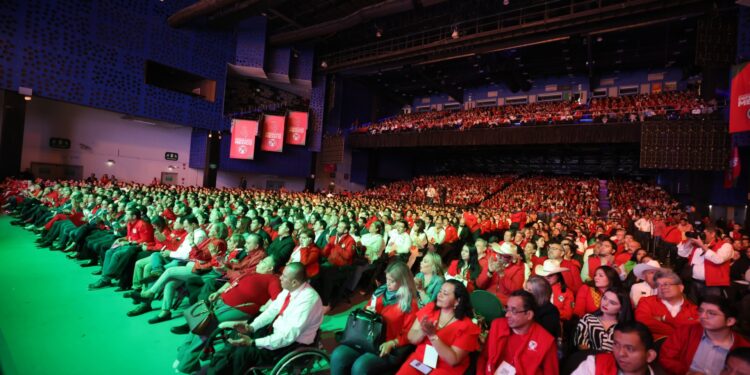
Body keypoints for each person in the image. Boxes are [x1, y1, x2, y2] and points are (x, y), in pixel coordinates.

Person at [207, 263, 324, 375]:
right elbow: (271, 311)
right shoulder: (290, 289)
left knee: (243, 353)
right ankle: (218, 368)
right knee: (237, 337)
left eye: (284, 276)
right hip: (277, 333)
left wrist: (254, 342)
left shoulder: (307, 301)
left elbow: (288, 337)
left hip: (291, 345)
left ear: (294, 282)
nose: (280, 278)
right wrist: (251, 327)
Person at [173, 257, 281, 373]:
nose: (260, 262)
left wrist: (262, 309)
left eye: (264, 262)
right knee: (197, 324)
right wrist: (218, 292)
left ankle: (186, 365)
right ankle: (182, 356)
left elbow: (277, 300)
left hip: (239, 309)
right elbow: (231, 282)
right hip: (220, 303)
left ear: (270, 268)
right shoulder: (251, 272)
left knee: (205, 327)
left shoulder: (273, 279)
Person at [331, 262, 418, 375]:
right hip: (367, 338)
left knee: (360, 367)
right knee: (338, 355)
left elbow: (409, 334)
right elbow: (366, 309)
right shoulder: (380, 291)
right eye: (387, 279)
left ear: (403, 281)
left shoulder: (409, 303)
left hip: (386, 345)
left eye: (392, 281)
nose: (388, 284)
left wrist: (393, 343)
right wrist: (367, 312)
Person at [396, 279, 480, 375]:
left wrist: (432, 336)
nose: (439, 295)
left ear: (457, 301)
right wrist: (423, 331)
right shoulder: (430, 308)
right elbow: (411, 338)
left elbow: (453, 360)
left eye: (445, 293)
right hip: (420, 360)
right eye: (440, 291)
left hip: (445, 368)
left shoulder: (468, 326)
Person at [659, 296, 750, 375]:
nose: (702, 316)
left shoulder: (743, 348)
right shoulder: (686, 330)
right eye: (701, 311)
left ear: (730, 321)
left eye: (711, 313)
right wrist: (686, 373)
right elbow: (666, 357)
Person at [477, 290, 559, 375]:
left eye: (514, 311)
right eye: (507, 308)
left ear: (529, 315)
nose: (507, 315)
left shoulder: (546, 342)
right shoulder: (497, 326)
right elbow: (484, 357)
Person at [572, 321, 660, 375]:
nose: (621, 353)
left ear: (649, 356)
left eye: (630, 349)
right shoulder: (594, 364)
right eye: (616, 345)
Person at [635, 269, 699, 340]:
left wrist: (664, 318)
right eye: (659, 285)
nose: (662, 287)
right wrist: (680, 332)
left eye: (667, 284)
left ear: (681, 288)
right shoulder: (646, 302)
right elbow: (643, 322)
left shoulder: (694, 309)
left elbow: (696, 329)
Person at [677, 226, 733, 301]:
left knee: (709, 307)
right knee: (693, 306)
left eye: (704, 233)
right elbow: (682, 253)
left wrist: (702, 245)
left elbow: (718, 259)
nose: (701, 235)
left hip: (713, 285)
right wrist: (690, 240)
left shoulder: (726, 246)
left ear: (712, 234)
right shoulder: (697, 245)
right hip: (694, 282)